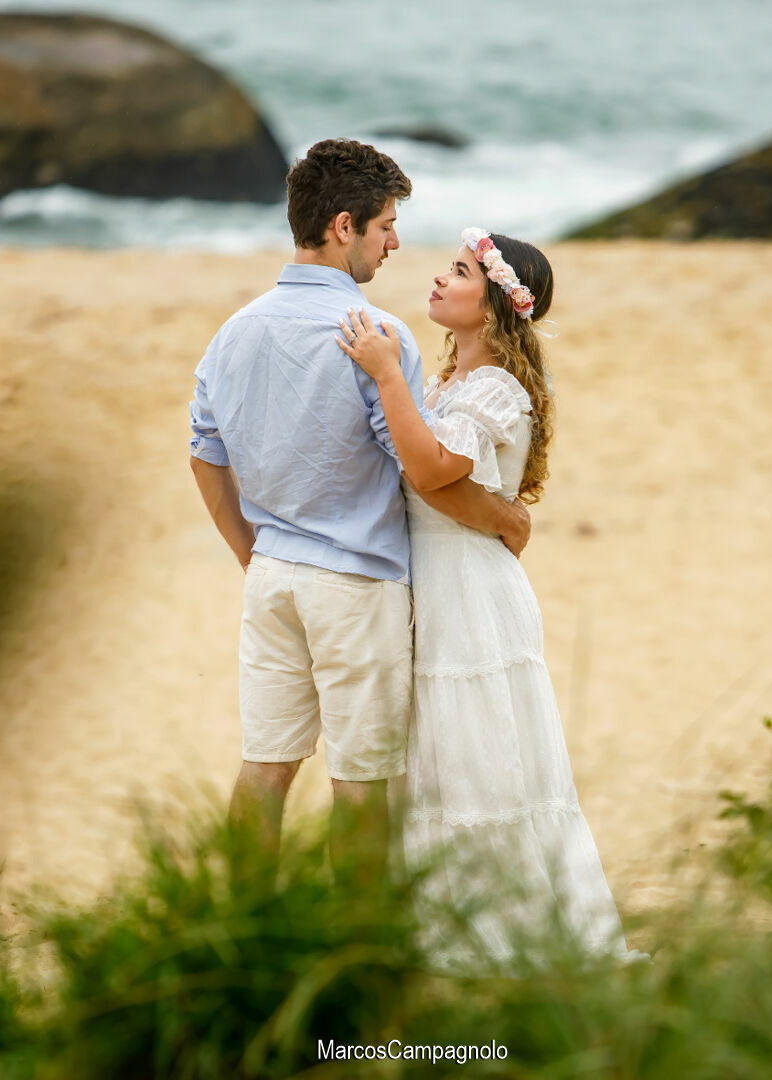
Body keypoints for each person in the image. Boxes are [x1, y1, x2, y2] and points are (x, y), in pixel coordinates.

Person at [187, 140, 531, 884]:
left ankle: (241, 931)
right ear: (343, 226)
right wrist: (504, 518)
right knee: (359, 783)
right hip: (355, 585)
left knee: (265, 770)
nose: (395, 243)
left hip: (271, 577)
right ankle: (357, 956)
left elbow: (204, 455)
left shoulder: (233, 331)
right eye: (384, 226)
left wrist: (253, 552)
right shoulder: (379, 336)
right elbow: (423, 471)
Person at [337, 228, 636, 968]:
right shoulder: (450, 385)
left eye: (460, 272)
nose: (439, 280)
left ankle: (496, 942)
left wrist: (385, 379)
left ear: (495, 302)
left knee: (479, 762)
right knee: (434, 761)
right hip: (430, 585)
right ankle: (443, 932)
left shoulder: (496, 386)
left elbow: (436, 475)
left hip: (468, 590)